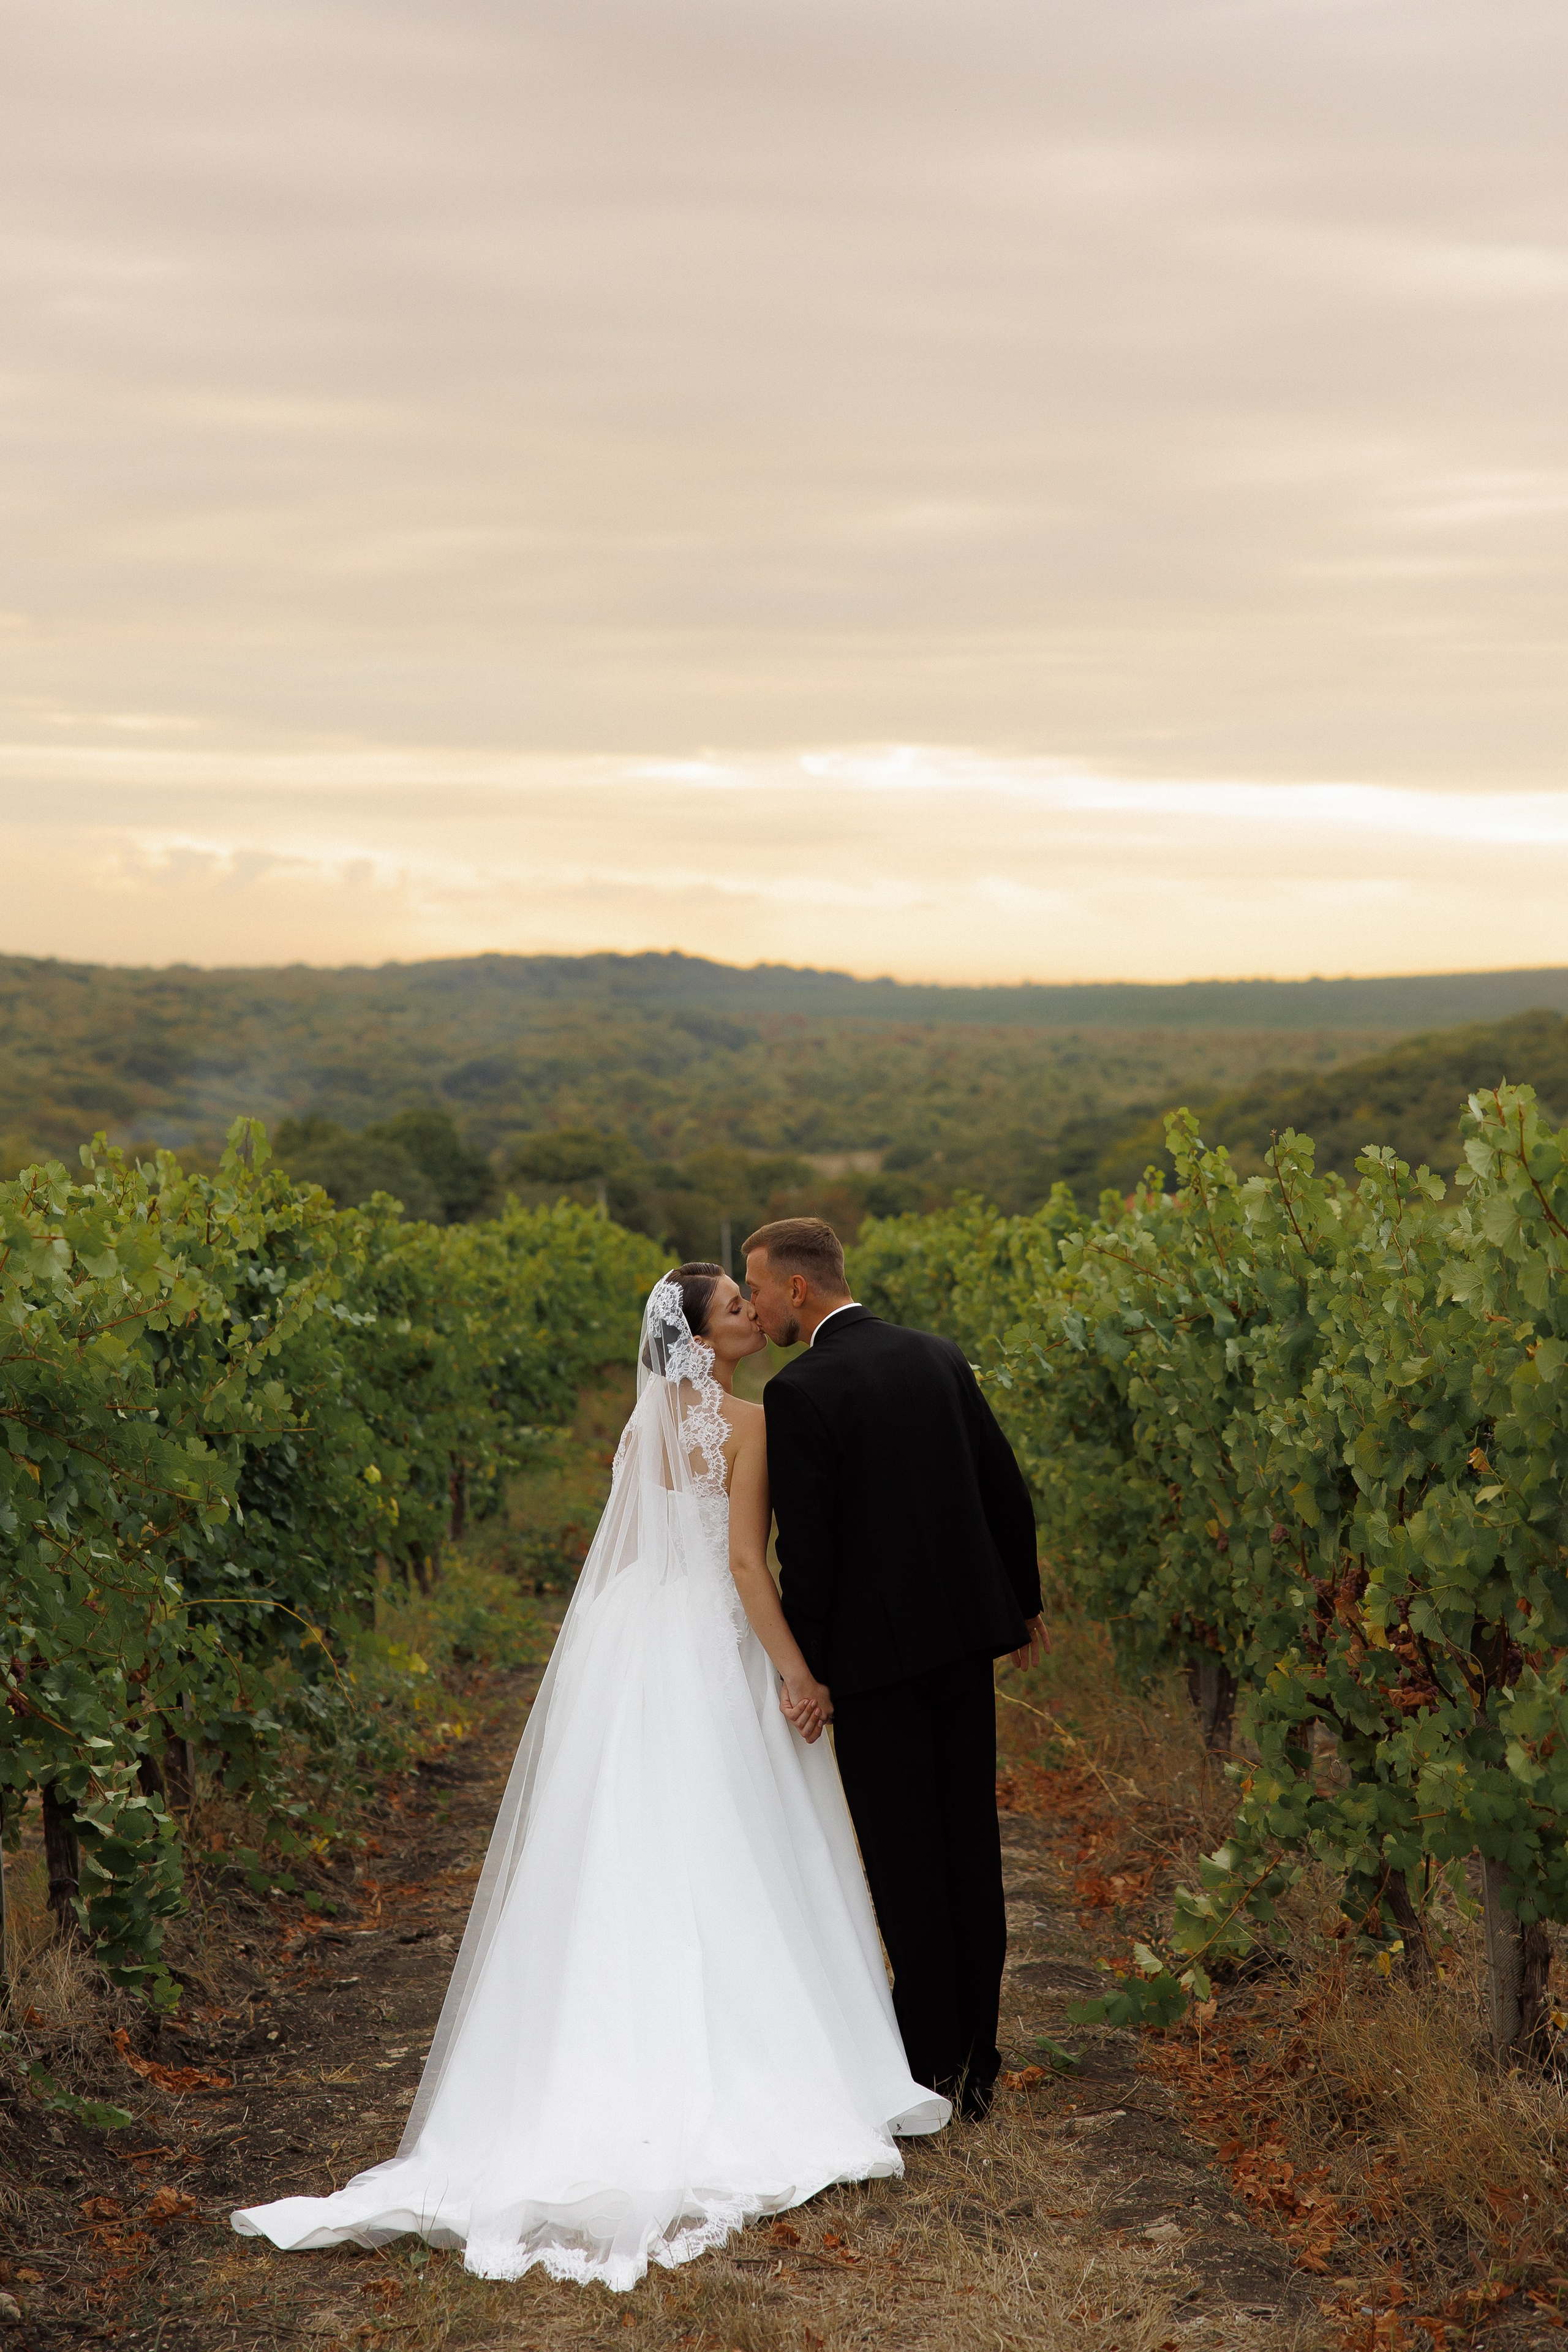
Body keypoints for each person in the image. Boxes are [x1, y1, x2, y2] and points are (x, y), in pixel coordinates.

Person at [231, 1266, 946, 2293]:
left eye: (751, 1300)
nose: (752, 1312)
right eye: (735, 1307)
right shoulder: (747, 1423)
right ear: (700, 1337)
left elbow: (627, 1555)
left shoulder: (640, 1425)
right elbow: (748, 1566)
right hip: (712, 1639)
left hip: (639, 1638)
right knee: (734, 1840)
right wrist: (797, 1669)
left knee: (629, 1843)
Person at [744, 1218, 1046, 2120]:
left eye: (758, 1288)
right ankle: (980, 2064)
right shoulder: (938, 1356)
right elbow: (1004, 1485)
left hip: (874, 1667)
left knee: (906, 1861)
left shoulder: (800, 1391)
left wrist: (811, 1669)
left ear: (797, 1289)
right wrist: (1022, 1605)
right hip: (961, 1646)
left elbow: (813, 1552)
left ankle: (932, 2065)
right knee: (969, 1849)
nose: (756, 1307)